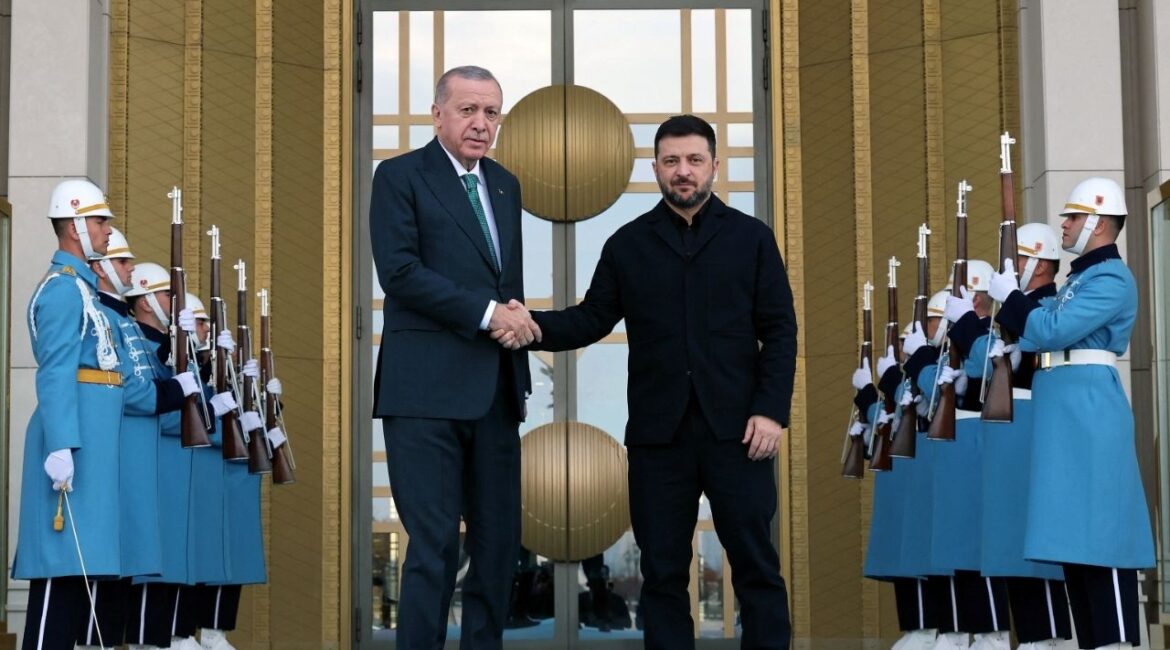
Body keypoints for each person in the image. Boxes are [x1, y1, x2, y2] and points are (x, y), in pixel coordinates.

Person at [501, 114, 797, 650]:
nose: (683, 172)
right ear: (656, 168)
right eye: (671, 161)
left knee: (757, 569)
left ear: (714, 166)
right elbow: (590, 319)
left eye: (694, 160)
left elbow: (780, 332)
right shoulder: (627, 245)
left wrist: (771, 411)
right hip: (659, 441)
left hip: (742, 434)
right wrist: (529, 325)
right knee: (662, 578)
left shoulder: (753, 240)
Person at [368, 65, 538, 649]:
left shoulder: (505, 185)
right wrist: (492, 314)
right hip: (423, 395)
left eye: (491, 112)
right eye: (468, 110)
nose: (481, 123)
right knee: (435, 545)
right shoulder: (398, 176)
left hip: (494, 392)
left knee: (496, 548)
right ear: (437, 113)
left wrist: (514, 322)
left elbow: (501, 278)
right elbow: (401, 272)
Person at [988, 177, 1155, 650]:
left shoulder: (1111, 279)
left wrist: (1015, 300)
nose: (1065, 224)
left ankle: (1117, 642)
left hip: (1087, 403)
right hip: (1062, 401)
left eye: (1074, 217)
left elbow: (1051, 329)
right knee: (1073, 540)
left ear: (1099, 223)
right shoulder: (1079, 280)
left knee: (1101, 531)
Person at [15, 179, 120, 650]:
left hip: (93, 441)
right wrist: (61, 442)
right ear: (76, 227)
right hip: (73, 439)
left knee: (87, 569)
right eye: (100, 221)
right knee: (63, 570)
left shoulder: (83, 288)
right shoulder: (63, 290)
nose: (107, 230)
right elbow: (56, 371)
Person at [975, 223, 1073, 650]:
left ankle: (1047, 637)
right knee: (1014, 537)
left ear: (1036, 262)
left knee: (1037, 540)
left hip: (1034, 423)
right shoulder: (1014, 310)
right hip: (1012, 429)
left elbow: (1041, 341)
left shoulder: (1046, 304)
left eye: (1016, 259)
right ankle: (1032, 634)